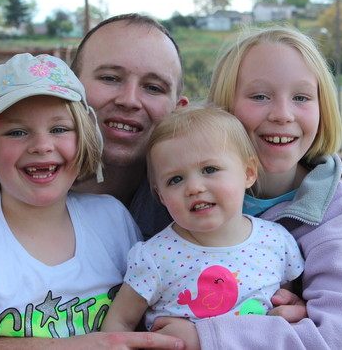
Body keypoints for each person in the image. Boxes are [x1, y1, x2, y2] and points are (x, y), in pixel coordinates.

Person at [0, 15, 305, 349]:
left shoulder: (199, 200)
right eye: (110, 78)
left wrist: (270, 313)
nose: (129, 99)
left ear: (178, 108)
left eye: (152, 86)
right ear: (76, 92)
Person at [155, 26, 342, 349]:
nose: (283, 114)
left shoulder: (333, 210)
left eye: (301, 97)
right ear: (224, 108)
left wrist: (207, 337)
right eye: (260, 96)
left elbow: (338, 338)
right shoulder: (187, 192)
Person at [0, 53, 143, 348]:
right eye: (17, 132)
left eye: (59, 129)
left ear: (84, 137)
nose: (42, 146)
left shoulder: (113, 220)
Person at [102, 105, 304, 339]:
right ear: (162, 196)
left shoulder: (277, 241)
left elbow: (288, 305)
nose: (194, 188)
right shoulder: (154, 258)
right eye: (175, 179)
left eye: (210, 169)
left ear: (248, 173)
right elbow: (119, 323)